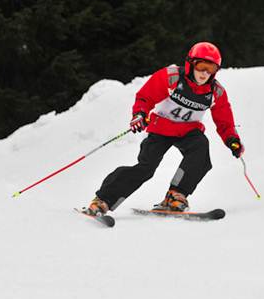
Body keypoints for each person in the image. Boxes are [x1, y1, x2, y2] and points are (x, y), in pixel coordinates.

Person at [86, 41, 244, 214]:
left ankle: (175, 195)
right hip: (161, 128)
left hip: (188, 131)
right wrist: (140, 114)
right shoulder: (172, 77)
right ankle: (102, 200)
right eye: (201, 66)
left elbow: (224, 121)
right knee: (146, 169)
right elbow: (145, 97)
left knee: (200, 152)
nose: (205, 73)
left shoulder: (215, 92)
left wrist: (232, 140)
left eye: (211, 69)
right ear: (190, 63)